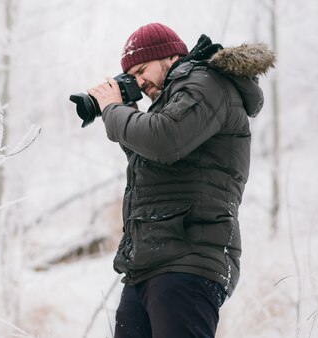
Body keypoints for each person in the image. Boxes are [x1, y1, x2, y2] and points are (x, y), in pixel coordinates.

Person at [87, 23, 275, 338]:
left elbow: (164, 140)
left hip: (188, 260)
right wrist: (126, 111)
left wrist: (112, 110)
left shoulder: (206, 83)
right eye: (132, 76)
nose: (140, 81)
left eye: (142, 69)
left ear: (170, 56)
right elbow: (155, 162)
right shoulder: (176, 101)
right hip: (149, 265)